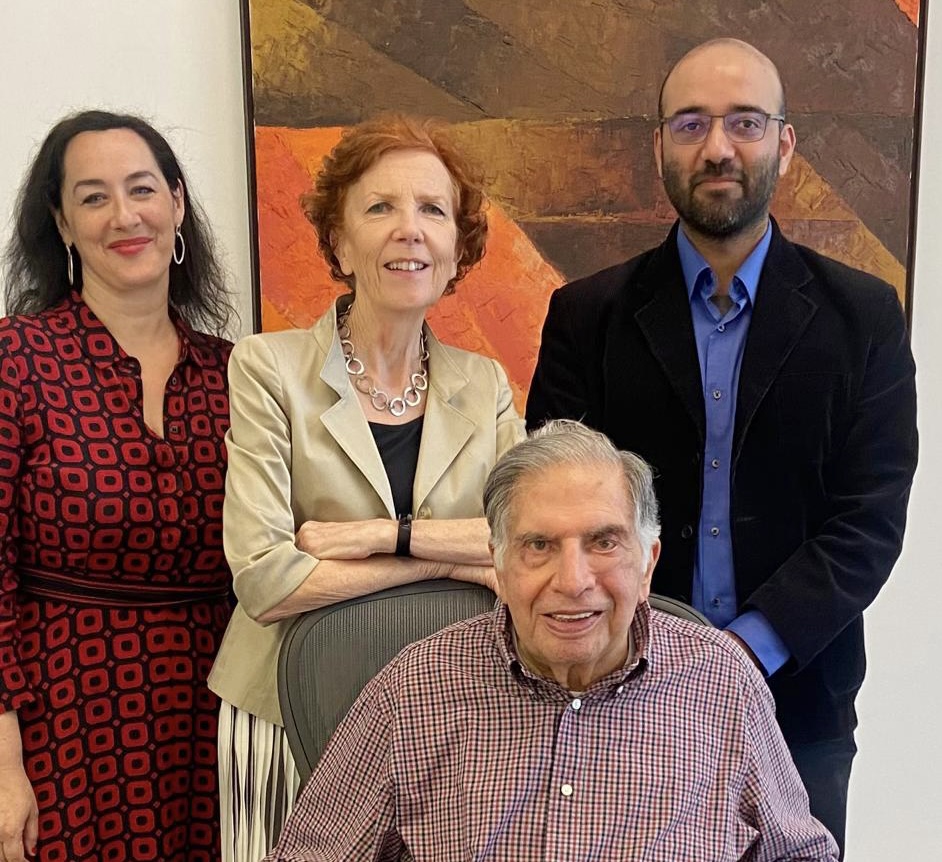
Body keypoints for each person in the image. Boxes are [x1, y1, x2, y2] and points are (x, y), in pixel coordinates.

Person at [526, 38, 918, 856]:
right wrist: (656, 655)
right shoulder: (585, 317)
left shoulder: (864, 317)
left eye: (744, 122)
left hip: (797, 703)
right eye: (691, 123)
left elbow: (869, 522)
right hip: (618, 695)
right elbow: (555, 507)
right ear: (659, 145)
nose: (717, 147)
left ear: (784, 142)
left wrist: (740, 653)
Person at [265, 419, 838, 861]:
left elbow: (798, 854)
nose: (572, 581)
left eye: (604, 542)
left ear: (648, 566)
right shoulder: (416, 687)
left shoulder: (722, 684)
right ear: (499, 564)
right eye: (539, 545)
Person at [207, 114, 525, 860]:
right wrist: (446, 559)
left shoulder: (485, 386)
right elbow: (265, 581)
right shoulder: (266, 368)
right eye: (380, 208)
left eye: (432, 210)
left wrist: (384, 536)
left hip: (454, 716)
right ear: (341, 243)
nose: (408, 230)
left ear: (457, 250)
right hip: (283, 706)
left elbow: (522, 550)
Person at [0, 110, 235, 862]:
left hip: (219, 717)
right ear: (62, 224)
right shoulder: (16, 358)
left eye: (141, 190)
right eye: (93, 197)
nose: (124, 216)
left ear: (177, 205)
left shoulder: (244, 373)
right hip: (60, 720)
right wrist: (3, 764)